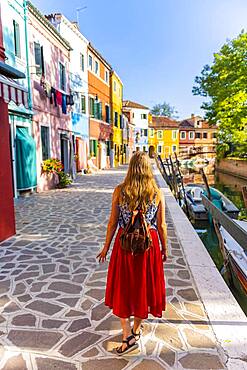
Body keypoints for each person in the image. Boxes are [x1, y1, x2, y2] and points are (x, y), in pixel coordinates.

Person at [97, 151, 167, 355]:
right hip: (149, 245)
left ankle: (127, 334)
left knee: (124, 286)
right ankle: (135, 330)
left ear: (130, 168)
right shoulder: (156, 192)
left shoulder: (120, 190)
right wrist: (164, 247)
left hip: (125, 245)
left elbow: (112, 223)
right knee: (143, 286)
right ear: (148, 168)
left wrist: (106, 247)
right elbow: (161, 225)